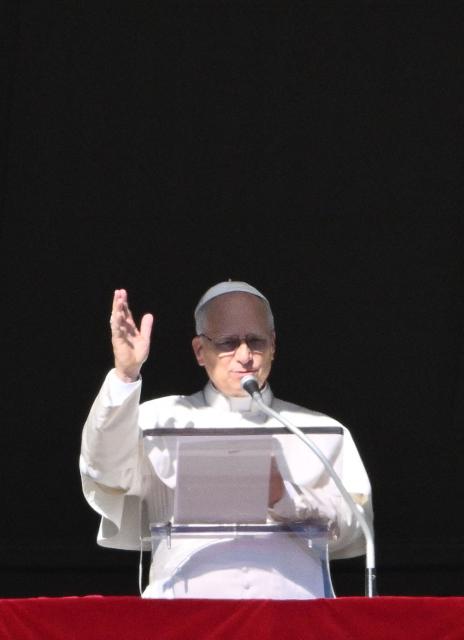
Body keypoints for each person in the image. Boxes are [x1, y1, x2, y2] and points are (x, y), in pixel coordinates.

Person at [80, 281, 372, 599]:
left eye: (256, 341)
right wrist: (125, 376)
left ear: (273, 345)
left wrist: (286, 499)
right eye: (228, 343)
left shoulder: (319, 431)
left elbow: (355, 527)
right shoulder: (158, 419)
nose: (245, 356)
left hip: (292, 617)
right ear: (199, 351)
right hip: (185, 615)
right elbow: (104, 471)